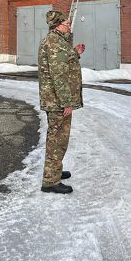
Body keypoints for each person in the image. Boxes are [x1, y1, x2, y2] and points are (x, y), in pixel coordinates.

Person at [38, 10, 85, 194]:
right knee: (57, 139)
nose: (69, 26)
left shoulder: (58, 41)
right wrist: (66, 102)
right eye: (66, 23)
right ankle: (50, 181)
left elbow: (64, 61)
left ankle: (55, 170)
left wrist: (75, 52)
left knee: (59, 138)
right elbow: (59, 76)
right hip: (57, 102)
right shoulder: (55, 44)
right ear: (58, 25)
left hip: (56, 100)